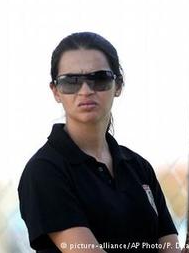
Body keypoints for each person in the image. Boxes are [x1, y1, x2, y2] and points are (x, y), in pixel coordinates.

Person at [18, 32, 179, 253]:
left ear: (118, 85)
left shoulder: (139, 167)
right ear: (55, 91)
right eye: (71, 82)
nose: (85, 90)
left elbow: (169, 246)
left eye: (100, 78)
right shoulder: (44, 171)